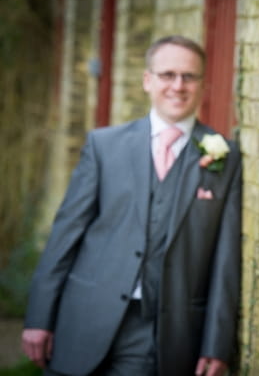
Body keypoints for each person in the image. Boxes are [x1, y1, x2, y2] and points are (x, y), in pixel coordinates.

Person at [21, 35, 242, 376]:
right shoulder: (104, 146)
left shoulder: (223, 157)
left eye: (189, 76)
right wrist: (38, 317)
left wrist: (217, 342)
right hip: (82, 318)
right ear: (147, 80)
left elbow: (225, 259)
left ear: (202, 84)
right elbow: (65, 236)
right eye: (167, 74)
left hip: (159, 332)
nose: (178, 86)